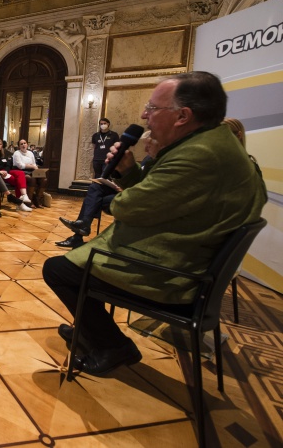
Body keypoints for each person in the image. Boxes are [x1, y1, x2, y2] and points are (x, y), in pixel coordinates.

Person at [43, 71, 267, 377]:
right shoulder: (215, 143)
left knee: (58, 270)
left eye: (152, 107)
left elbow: (127, 207)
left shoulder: (198, 156)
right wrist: (130, 170)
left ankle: (113, 345)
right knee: (75, 267)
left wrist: (123, 189)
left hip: (174, 275)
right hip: (190, 261)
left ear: (182, 116)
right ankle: (91, 331)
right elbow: (158, 198)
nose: (143, 115)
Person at [55, 132, 158, 249]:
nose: (145, 149)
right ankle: (82, 229)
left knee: (98, 200)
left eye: (148, 146)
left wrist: (125, 185)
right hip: (126, 189)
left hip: (136, 196)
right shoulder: (148, 159)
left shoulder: (161, 163)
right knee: (95, 187)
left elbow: (146, 187)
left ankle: (81, 231)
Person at [0, 137, 32, 212]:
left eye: (0, 144)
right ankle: (20, 203)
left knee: (20, 173)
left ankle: (24, 195)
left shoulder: (4, 154)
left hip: (6, 172)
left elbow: (8, 165)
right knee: (17, 181)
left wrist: (6, 171)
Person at [13, 139, 47, 208]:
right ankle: (29, 201)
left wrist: (36, 169)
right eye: (21, 144)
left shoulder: (30, 153)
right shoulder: (17, 153)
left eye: (24, 143)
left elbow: (34, 164)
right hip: (21, 171)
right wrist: (31, 166)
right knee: (32, 179)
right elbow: (20, 165)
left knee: (44, 179)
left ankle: (37, 200)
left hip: (31, 171)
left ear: (27, 145)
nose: (23, 145)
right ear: (19, 146)